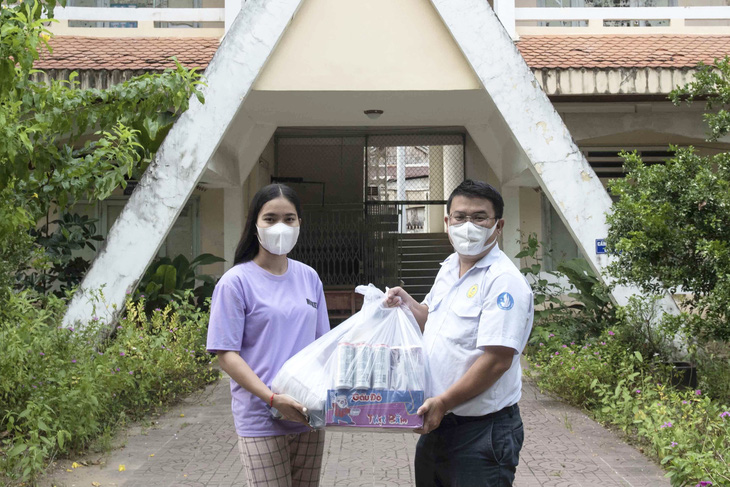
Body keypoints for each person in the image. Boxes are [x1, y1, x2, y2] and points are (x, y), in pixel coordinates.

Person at [385, 179, 534, 487]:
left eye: (479, 217)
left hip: (481, 432)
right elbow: (430, 320)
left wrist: (444, 401)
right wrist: (405, 302)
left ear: (498, 225)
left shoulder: (504, 281)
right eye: (460, 217)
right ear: (447, 221)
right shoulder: (450, 267)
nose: (468, 225)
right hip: (438, 421)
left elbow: (497, 360)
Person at [206, 183, 330, 487]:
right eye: (270, 218)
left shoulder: (309, 277)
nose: (280, 226)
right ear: (255, 225)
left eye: (289, 219)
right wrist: (273, 399)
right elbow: (226, 354)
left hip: (307, 414)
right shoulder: (235, 283)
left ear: (300, 223)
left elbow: (323, 345)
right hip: (261, 418)